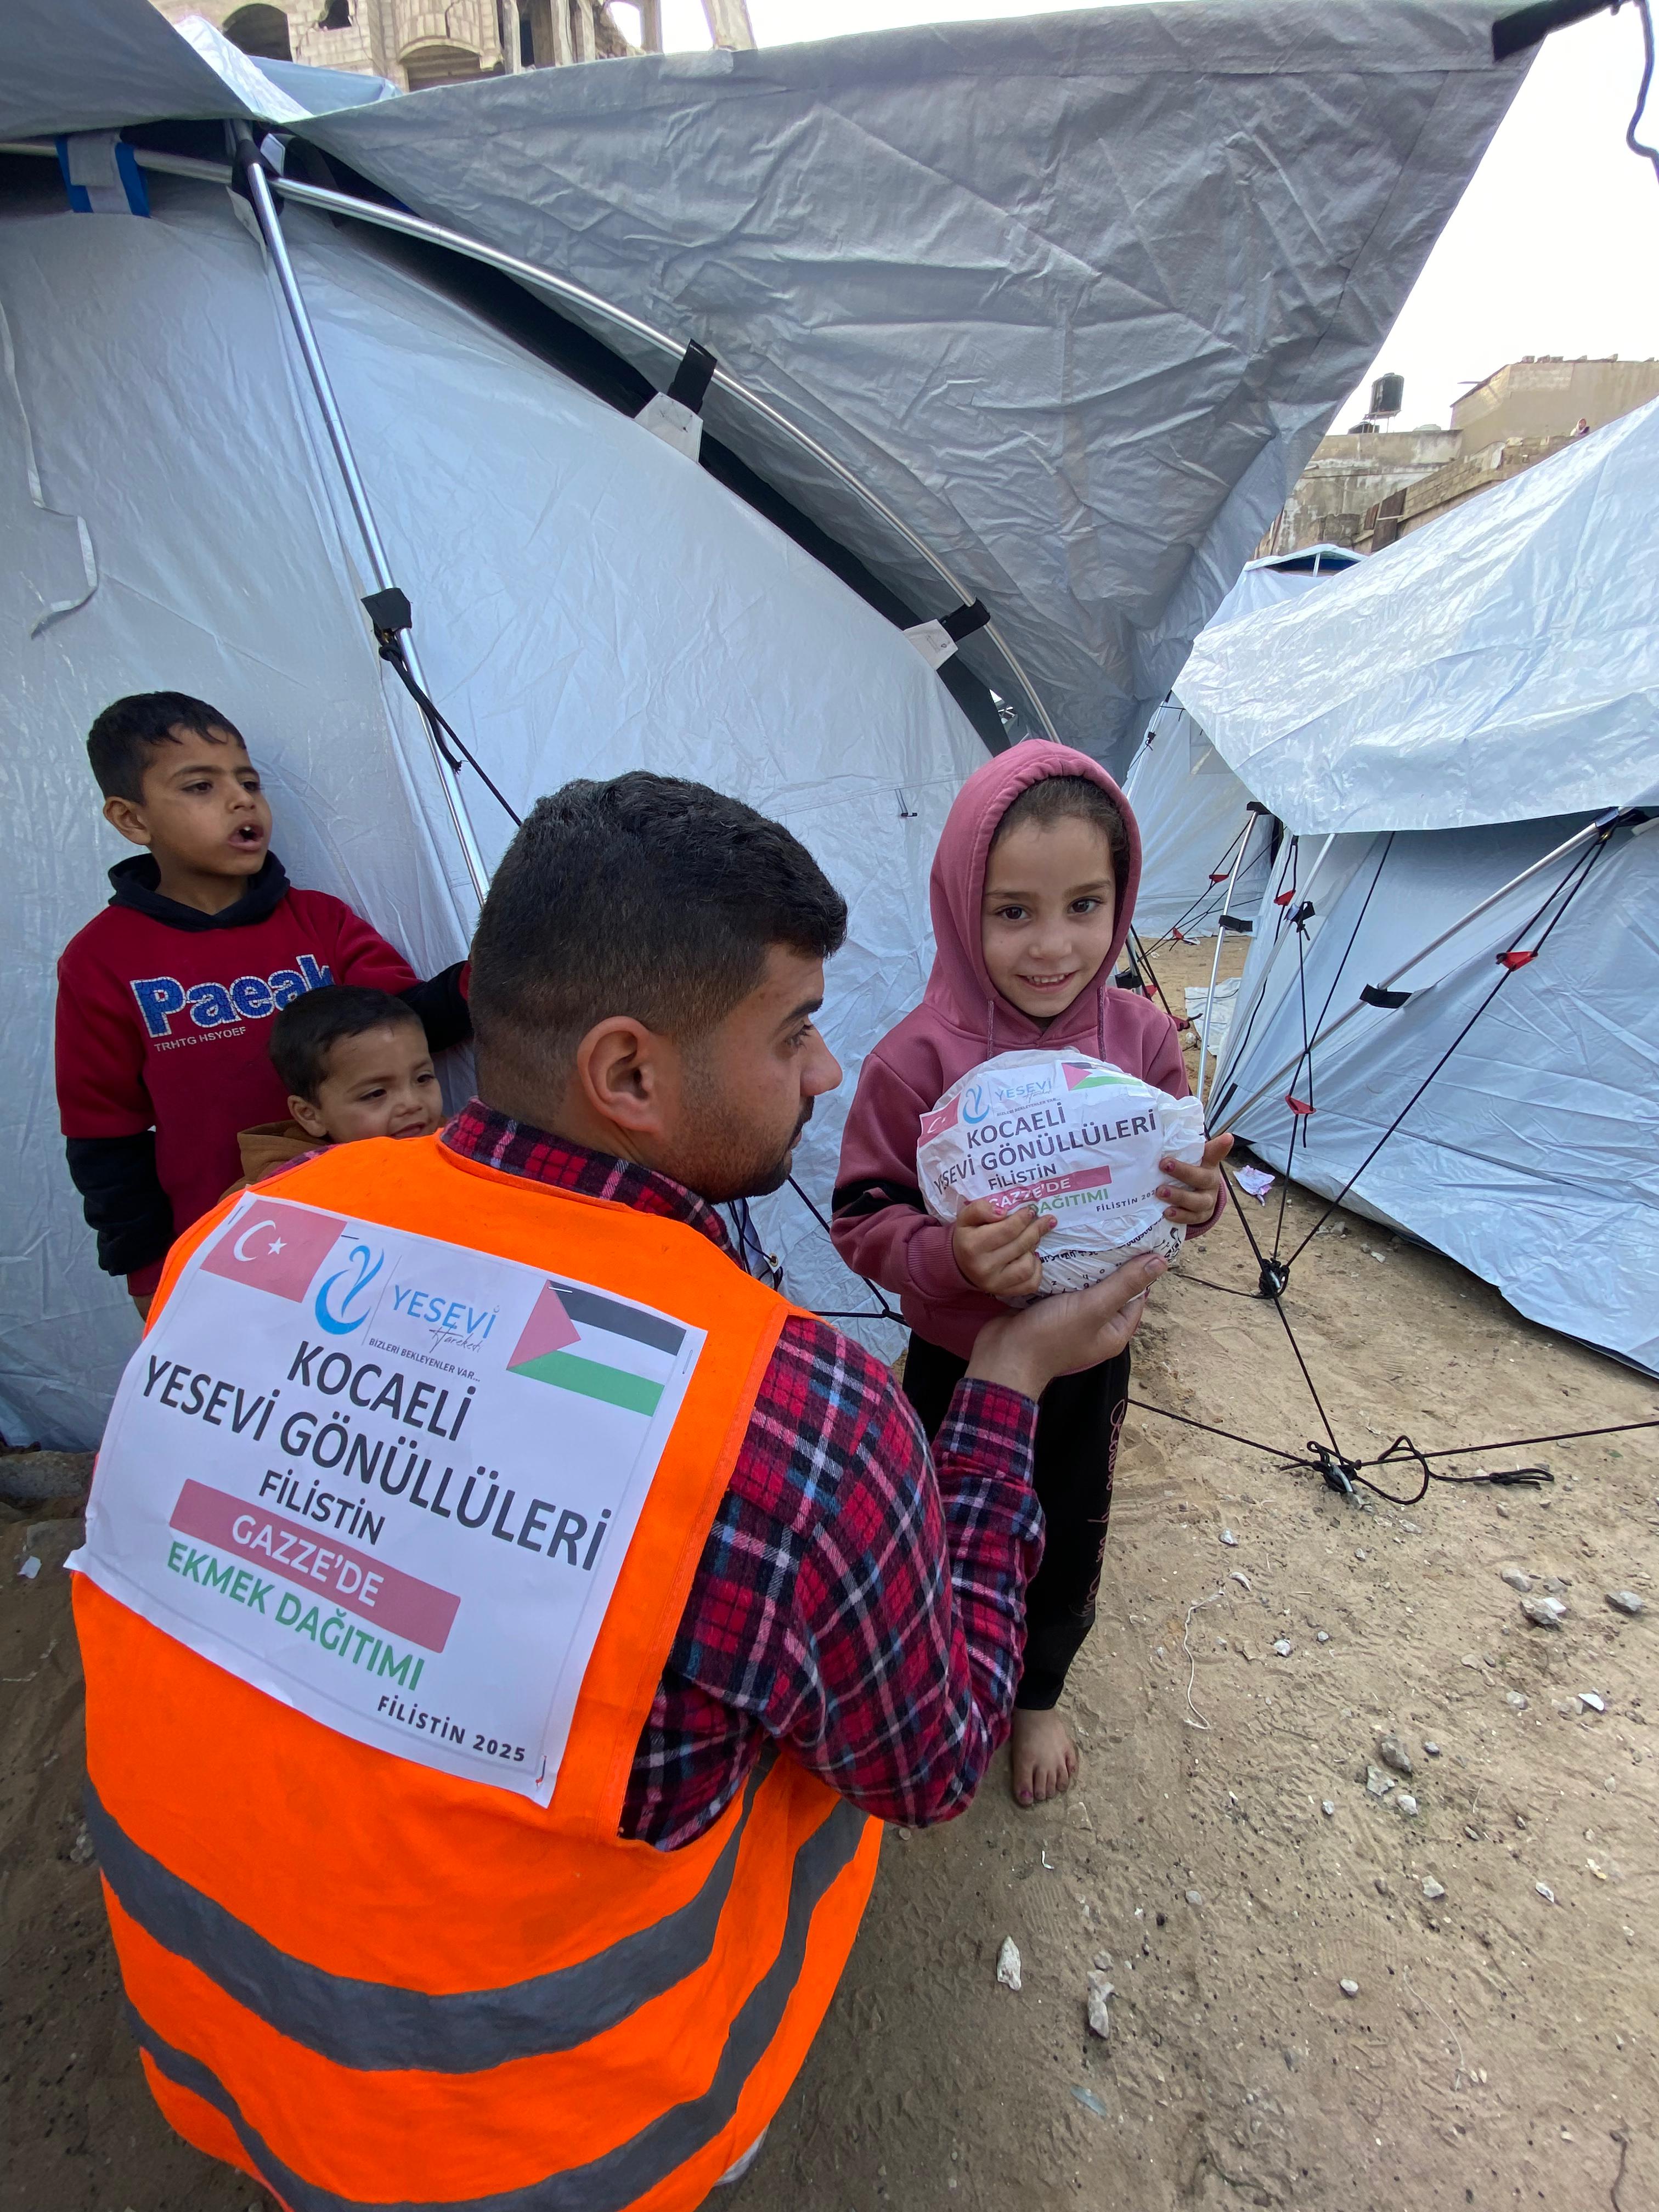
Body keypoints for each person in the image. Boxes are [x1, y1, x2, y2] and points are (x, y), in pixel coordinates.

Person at [72, 771, 1166, 2211]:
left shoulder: (244, 1237)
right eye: (793, 1032)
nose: (826, 1072)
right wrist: (1009, 1381)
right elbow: (927, 1762)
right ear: (631, 1077)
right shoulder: (794, 1415)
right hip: (548, 2142)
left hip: (207, 2037)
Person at [831, 740, 1229, 1809]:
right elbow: (860, 1216)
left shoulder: (1143, 1038)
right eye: (1012, 912)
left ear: (1121, 899)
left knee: (1070, 1520)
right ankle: (939, 1664)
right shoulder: (915, 1060)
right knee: (937, 1521)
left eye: (1084, 906)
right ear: (960, 904)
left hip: (1091, 1356)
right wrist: (946, 1255)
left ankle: (1037, 1689)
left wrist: (1198, 1199)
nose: (1053, 946)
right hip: (957, 1363)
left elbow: (1175, 1191)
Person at [54, 692, 471, 1312]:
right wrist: (147, 1274)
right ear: (132, 820)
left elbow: (407, 1025)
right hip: (229, 1252)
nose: (241, 800)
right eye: (201, 786)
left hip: (381, 1229)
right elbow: (106, 1139)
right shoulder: (100, 959)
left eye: (249, 782)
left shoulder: (321, 922)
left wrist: (491, 977)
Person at [229, 983, 448, 1187]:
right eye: (376, 1093)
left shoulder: (453, 1145)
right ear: (310, 1115)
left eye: (423, 1078)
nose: (412, 1104)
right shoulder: (283, 1194)